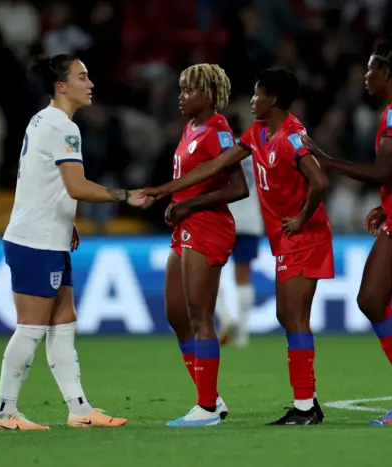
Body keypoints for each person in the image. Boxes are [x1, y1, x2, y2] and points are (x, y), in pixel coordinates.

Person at [142, 68, 331, 426]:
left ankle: (292, 405)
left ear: (271, 99)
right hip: (256, 231)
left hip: (279, 233)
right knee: (179, 314)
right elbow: (217, 166)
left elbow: (314, 179)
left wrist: (303, 219)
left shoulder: (273, 134)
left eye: (257, 95)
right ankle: (217, 399)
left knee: (284, 318)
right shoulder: (253, 132)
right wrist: (167, 191)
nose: (252, 101)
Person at [0, 54, 151, 430]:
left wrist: (68, 217)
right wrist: (125, 196)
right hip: (36, 240)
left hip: (50, 235)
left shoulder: (42, 119)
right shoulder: (64, 127)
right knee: (31, 328)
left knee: (64, 324)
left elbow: (40, 179)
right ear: (62, 86)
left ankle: (80, 411)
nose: (90, 83)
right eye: (82, 77)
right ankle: (3, 411)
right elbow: (76, 185)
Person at [301, 34, 392, 426]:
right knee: (370, 299)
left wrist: (326, 160)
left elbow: (382, 170)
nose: (365, 75)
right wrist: (391, 203)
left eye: (371, 68)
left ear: (386, 72)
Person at [162, 63, 249, 427]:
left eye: (188, 90)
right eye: (181, 89)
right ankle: (210, 396)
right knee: (176, 314)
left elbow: (239, 188)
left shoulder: (219, 132)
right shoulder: (190, 129)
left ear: (209, 94)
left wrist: (189, 203)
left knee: (200, 317)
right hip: (186, 227)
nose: (181, 96)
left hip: (208, 227)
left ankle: (207, 407)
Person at [214, 152, 264, 349]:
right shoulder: (258, 152)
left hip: (222, 219)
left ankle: (225, 317)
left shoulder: (219, 150)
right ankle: (243, 334)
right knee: (244, 276)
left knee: (210, 272)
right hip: (251, 221)